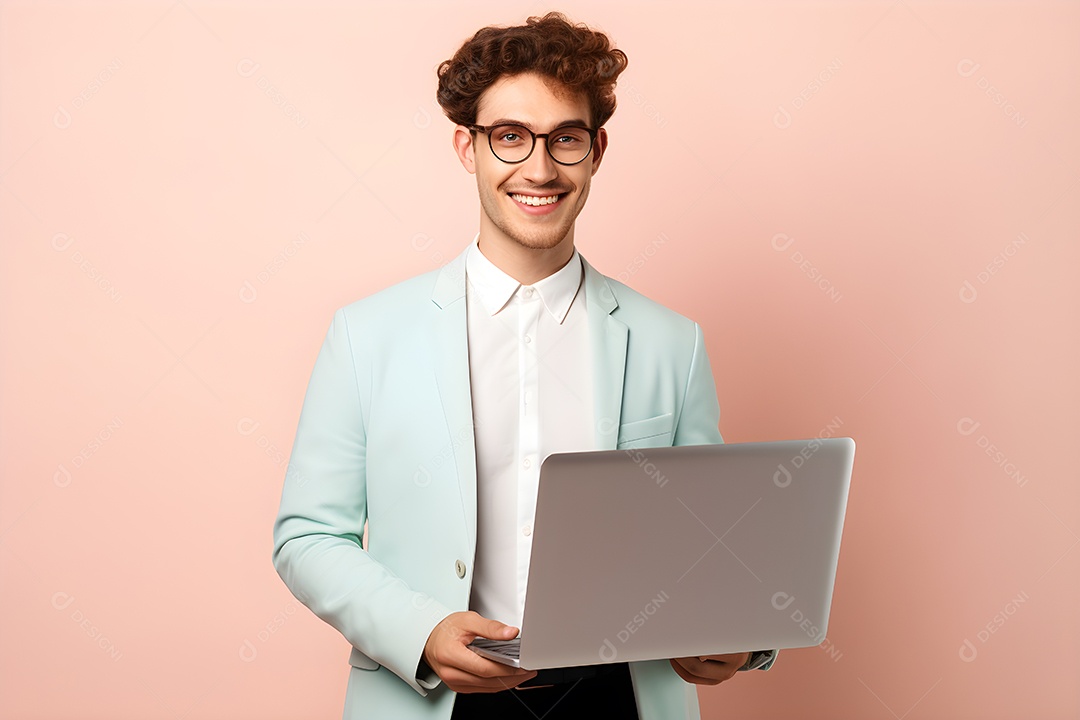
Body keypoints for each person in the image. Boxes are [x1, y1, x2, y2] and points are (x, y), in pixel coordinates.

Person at [272, 11, 776, 720]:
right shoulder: (366, 335)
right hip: (434, 696)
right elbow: (307, 536)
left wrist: (737, 638)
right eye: (510, 136)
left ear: (596, 151)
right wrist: (421, 631)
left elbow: (708, 547)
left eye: (564, 139)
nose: (538, 169)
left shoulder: (672, 342)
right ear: (466, 148)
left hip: (622, 697)